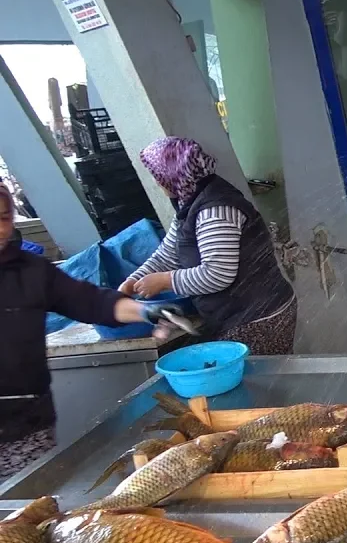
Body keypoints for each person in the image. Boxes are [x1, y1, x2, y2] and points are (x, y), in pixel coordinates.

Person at [0, 184, 182, 479]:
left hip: (29, 426)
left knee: (31, 507)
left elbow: (88, 301)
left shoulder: (30, 270)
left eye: (5, 217)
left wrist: (145, 311)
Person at [119, 137, 297, 355]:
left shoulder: (215, 209)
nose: (157, 182)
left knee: (256, 383)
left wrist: (165, 281)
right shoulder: (191, 200)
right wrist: (132, 281)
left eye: (158, 176)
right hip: (238, 314)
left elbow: (218, 274)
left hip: (258, 317)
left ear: (173, 176)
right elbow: (168, 254)